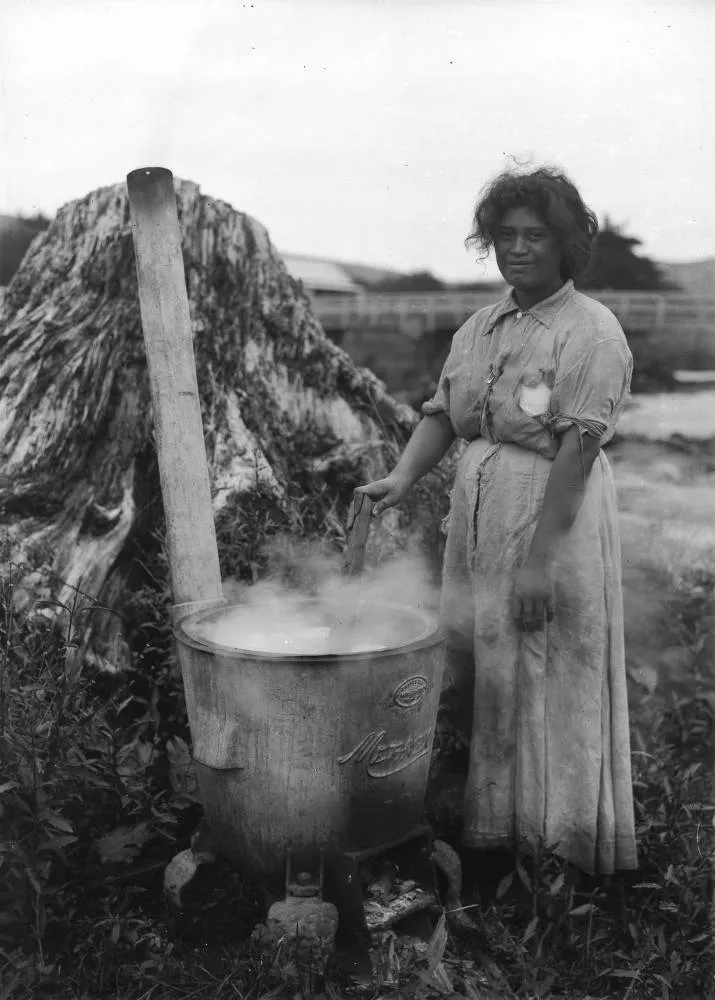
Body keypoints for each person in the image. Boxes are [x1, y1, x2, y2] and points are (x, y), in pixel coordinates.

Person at [358, 166, 638, 881]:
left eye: (534, 236)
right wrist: (401, 476)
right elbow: (440, 415)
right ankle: (490, 839)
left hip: (551, 522)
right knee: (487, 670)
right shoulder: (480, 326)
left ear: (565, 244)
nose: (517, 249)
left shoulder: (591, 333)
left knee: (547, 671)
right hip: (479, 521)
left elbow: (575, 455)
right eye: (505, 235)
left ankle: (558, 852)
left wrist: (539, 564)